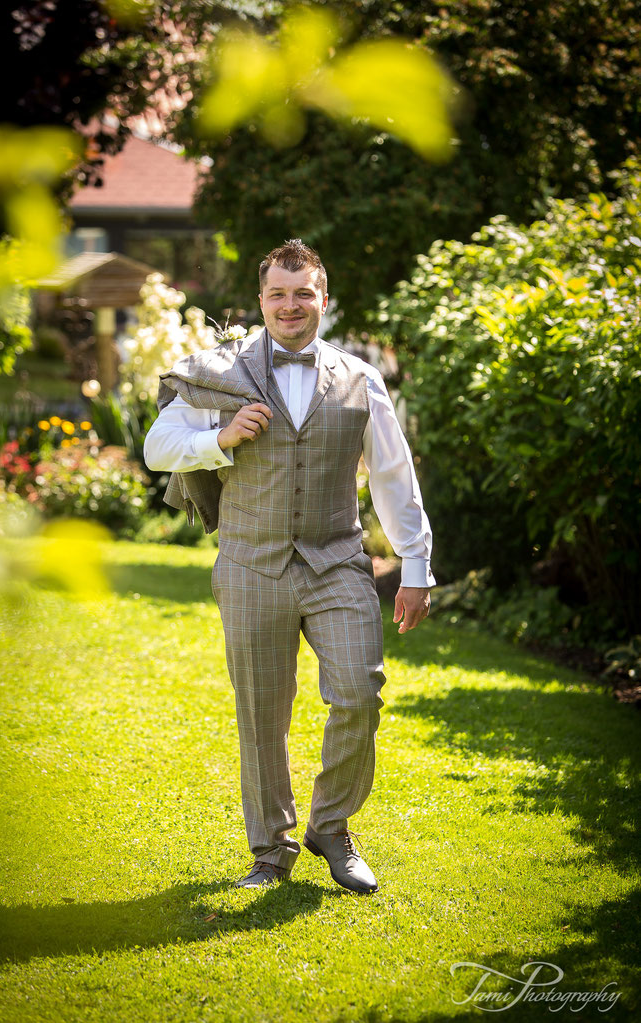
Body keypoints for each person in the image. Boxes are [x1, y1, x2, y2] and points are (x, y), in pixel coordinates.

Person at [143, 239, 435, 894]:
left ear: (322, 299)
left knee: (360, 691)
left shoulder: (362, 379)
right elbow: (158, 446)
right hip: (250, 562)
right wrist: (218, 438)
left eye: (303, 292)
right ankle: (270, 850)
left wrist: (416, 564)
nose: (290, 304)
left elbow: (392, 474)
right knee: (262, 713)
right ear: (261, 301)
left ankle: (332, 826)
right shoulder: (221, 371)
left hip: (337, 559)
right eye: (278, 292)